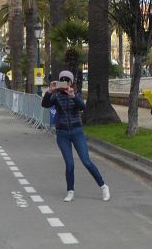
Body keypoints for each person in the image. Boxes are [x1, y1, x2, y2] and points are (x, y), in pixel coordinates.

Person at [41, 70, 110, 203]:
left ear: (71, 83)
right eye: (62, 80)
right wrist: (49, 91)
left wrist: (73, 96)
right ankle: (70, 191)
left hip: (77, 131)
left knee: (86, 161)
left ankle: (103, 186)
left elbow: (82, 106)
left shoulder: (76, 94)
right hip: (62, 134)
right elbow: (45, 104)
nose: (65, 83)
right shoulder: (55, 96)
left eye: (67, 81)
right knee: (69, 163)